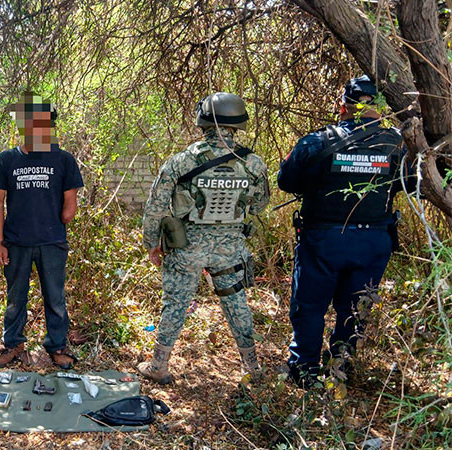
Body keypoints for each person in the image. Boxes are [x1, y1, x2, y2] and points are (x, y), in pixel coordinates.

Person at [278, 75, 410, 388]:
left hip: (323, 240)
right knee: (355, 307)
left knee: (310, 305)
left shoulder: (318, 141)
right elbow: (414, 184)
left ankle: (305, 371)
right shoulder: (398, 145)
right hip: (373, 241)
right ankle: (339, 369)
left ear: (344, 107)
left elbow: (286, 181)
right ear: (379, 108)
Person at [138, 92, 270, 384]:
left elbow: (155, 208)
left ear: (204, 121)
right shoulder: (253, 164)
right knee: (237, 304)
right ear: (238, 122)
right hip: (231, 248)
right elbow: (259, 205)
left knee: (175, 303)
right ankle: (252, 368)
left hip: (187, 246)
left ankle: (159, 365)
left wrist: (152, 244)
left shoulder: (182, 162)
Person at [0, 91, 84, 369]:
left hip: (51, 243)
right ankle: (14, 345)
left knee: (55, 298)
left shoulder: (64, 160)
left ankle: (56, 346)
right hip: (16, 242)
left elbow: (69, 211)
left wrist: (61, 210)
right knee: (15, 298)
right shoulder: (7, 160)